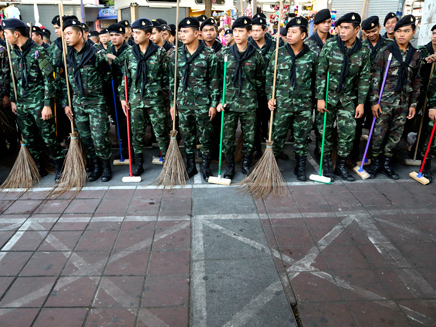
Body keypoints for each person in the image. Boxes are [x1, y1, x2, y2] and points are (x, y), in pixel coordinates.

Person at [3, 18, 64, 181]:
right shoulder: (13, 52)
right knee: (29, 138)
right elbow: (13, 78)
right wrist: (14, 99)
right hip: (22, 104)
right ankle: (39, 166)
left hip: (39, 103)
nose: (5, 36)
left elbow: (49, 79)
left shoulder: (39, 51)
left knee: (48, 136)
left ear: (16, 34)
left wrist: (47, 105)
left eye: (6, 33)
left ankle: (59, 166)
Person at [316, 12, 371, 182]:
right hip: (328, 96)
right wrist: (320, 97)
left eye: (347, 28)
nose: (342, 31)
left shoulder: (363, 51)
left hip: (348, 99)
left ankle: (340, 165)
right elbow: (320, 73)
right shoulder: (331, 46)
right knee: (324, 131)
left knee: (347, 132)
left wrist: (361, 103)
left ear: (357, 30)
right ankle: (326, 164)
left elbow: (364, 78)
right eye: (341, 27)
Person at [367, 15, 422, 179]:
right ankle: (376, 163)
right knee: (378, 134)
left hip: (403, 103)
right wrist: (374, 101)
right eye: (398, 31)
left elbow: (417, 81)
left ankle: (386, 164)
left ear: (413, 32)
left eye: (406, 31)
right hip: (384, 102)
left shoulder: (416, 55)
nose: (401, 35)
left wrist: (413, 104)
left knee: (395, 136)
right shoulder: (386, 52)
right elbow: (376, 77)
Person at [62, 18, 113, 182]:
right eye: (65, 35)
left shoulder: (96, 53)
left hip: (96, 102)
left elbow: (107, 76)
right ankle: (95, 166)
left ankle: (106, 167)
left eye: (69, 34)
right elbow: (66, 83)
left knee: (99, 137)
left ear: (80, 34)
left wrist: (95, 89)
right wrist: (66, 104)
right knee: (86, 138)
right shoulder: (68, 56)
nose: (67, 37)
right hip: (78, 103)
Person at [168, 17, 219, 180]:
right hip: (183, 103)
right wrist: (172, 103)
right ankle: (190, 165)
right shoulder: (175, 54)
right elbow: (172, 81)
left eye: (186, 31)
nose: (182, 35)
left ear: (197, 33)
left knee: (205, 137)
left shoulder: (209, 55)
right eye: (181, 32)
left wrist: (212, 104)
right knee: (187, 136)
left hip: (203, 103)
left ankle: (205, 167)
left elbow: (214, 81)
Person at [268, 17, 318, 181]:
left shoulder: (311, 56)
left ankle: (301, 165)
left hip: (303, 105)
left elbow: (317, 80)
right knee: (277, 135)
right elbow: (270, 78)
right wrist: (270, 97)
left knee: (301, 137)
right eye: (288, 32)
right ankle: (271, 166)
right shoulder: (278, 53)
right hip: (281, 104)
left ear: (303, 35)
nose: (289, 35)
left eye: (293, 32)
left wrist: (317, 100)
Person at [120, 18, 169, 177]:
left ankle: (168, 161)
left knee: (161, 132)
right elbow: (126, 77)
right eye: (133, 33)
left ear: (148, 35)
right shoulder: (129, 52)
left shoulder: (160, 52)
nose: (134, 36)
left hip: (155, 100)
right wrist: (123, 97)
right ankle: (139, 163)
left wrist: (166, 98)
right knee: (137, 133)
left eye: (138, 33)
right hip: (135, 100)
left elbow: (167, 78)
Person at [217, 16, 264, 179]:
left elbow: (260, 80)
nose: (237, 35)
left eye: (241, 31)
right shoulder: (224, 54)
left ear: (249, 33)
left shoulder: (256, 56)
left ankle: (246, 162)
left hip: (249, 104)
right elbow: (218, 80)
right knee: (227, 137)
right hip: (228, 103)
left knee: (250, 137)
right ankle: (230, 165)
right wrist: (219, 100)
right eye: (235, 31)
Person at [351, 15, 393, 160]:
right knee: (356, 125)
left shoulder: (389, 44)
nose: (371, 34)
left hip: (381, 92)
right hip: (361, 91)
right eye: (368, 32)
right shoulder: (360, 45)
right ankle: (354, 155)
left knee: (375, 125)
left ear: (379, 28)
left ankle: (372, 156)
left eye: (374, 31)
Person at [250, 16, 276, 158]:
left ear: (265, 31)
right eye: (253, 30)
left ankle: (269, 146)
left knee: (268, 118)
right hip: (253, 89)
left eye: (258, 30)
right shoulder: (248, 45)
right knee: (253, 120)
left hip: (269, 89)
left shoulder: (275, 45)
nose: (255, 34)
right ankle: (255, 147)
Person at [106, 23, 130, 160]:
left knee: (126, 121)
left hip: (125, 91)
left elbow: (128, 69)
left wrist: (115, 60)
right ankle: (122, 146)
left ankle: (129, 148)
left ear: (124, 36)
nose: (114, 38)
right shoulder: (110, 49)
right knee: (117, 121)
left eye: (117, 35)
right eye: (112, 35)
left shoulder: (129, 50)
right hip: (112, 90)